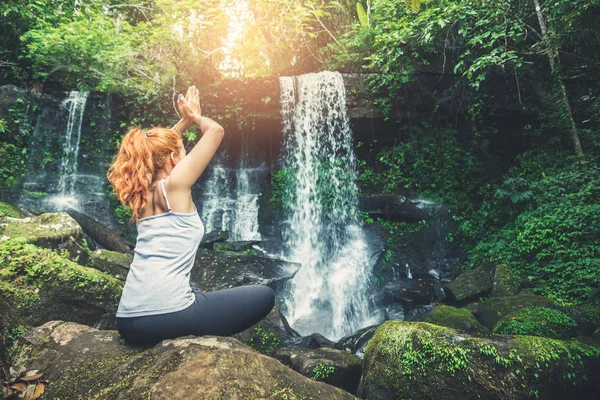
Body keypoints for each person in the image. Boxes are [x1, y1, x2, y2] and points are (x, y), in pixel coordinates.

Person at [107, 85, 275, 347]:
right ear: (174, 159)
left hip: (128, 320)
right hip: (165, 317)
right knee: (264, 295)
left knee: (201, 297)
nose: (187, 155)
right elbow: (216, 131)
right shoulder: (174, 187)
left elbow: (155, 150)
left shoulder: (143, 195)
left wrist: (183, 123)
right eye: (184, 151)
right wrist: (195, 117)